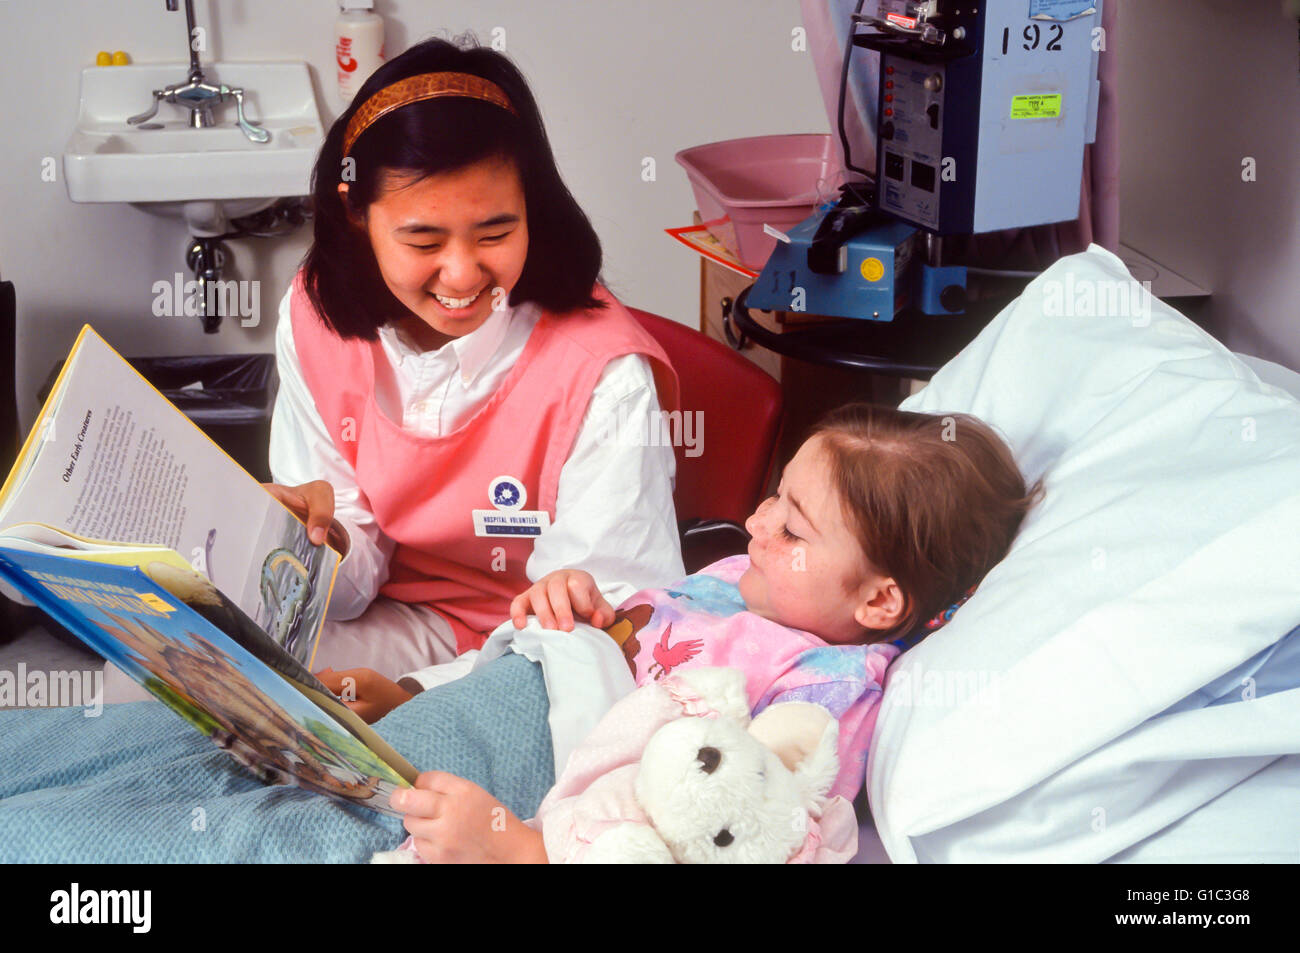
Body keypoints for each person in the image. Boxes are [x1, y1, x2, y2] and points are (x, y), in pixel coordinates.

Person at [351, 404, 1043, 862]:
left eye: (793, 528)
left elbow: (724, 830)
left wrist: (527, 850)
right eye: (776, 495)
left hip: (541, 801)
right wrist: (582, 613)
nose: (756, 523)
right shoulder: (743, 577)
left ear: (879, 598)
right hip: (498, 697)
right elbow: (626, 643)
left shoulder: (823, 689)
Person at [260, 35, 685, 685]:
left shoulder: (602, 375)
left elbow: (611, 633)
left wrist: (415, 697)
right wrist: (325, 539)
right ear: (355, 214)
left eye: (495, 233)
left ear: (532, 213)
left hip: (538, 655)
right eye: (422, 238)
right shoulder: (318, 314)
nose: (462, 276)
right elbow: (347, 583)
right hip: (401, 617)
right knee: (224, 666)